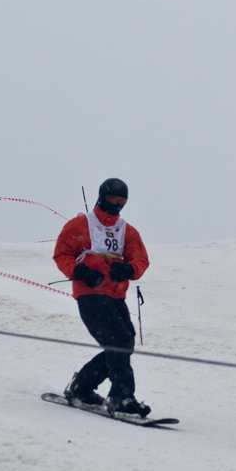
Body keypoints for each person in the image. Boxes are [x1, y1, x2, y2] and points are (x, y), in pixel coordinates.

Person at [53, 177, 151, 416]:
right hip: (90, 294)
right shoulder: (80, 225)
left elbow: (140, 258)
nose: (116, 204)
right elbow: (62, 254)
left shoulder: (126, 231)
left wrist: (129, 269)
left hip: (115, 295)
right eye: (112, 198)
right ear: (101, 196)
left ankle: (81, 387)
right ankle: (121, 397)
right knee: (118, 341)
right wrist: (81, 272)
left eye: (122, 200)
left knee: (125, 342)